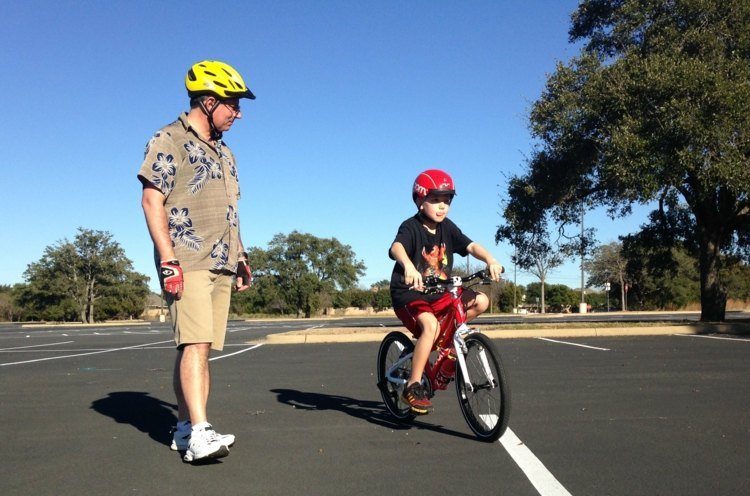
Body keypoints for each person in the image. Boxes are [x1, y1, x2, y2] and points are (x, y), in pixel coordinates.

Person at [138, 60, 256, 463]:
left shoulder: (225, 153)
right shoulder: (168, 139)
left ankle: (186, 428)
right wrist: (168, 259)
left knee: (199, 348)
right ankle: (201, 432)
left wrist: (241, 256)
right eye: (232, 105)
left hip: (222, 259)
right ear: (208, 101)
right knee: (195, 342)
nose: (237, 113)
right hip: (187, 258)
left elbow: (230, 208)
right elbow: (152, 199)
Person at [389, 169, 504, 415]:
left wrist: (490, 260)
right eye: (435, 200)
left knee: (480, 301)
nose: (442, 206)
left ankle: (448, 341)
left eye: (447, 200)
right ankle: (413, 385)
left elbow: (471, 245)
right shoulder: (411, 227)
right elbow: (396, 247)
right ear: (420, 201)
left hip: (439, 292)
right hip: (410, 294)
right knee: (429, 326)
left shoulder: (448, 228)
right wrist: (409, 266)